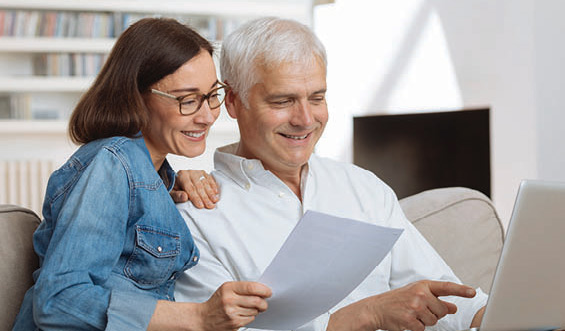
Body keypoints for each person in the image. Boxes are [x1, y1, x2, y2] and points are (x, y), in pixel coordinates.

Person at [173, 17, 487, 331]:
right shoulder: (197, 215)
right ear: (232, 100)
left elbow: (445, 297)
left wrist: (496, 313)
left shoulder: (363, 187)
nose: (306, 119)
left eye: (317, 97)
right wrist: (367, 315)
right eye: (283, 101)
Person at [12, 18, 270, 331]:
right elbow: (59, 301)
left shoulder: (152, 173)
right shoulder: (111, 165)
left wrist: (172, 186)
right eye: (188, 100)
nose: (207, 116)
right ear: (136, 97)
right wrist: (199, 317)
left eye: (211, 94)